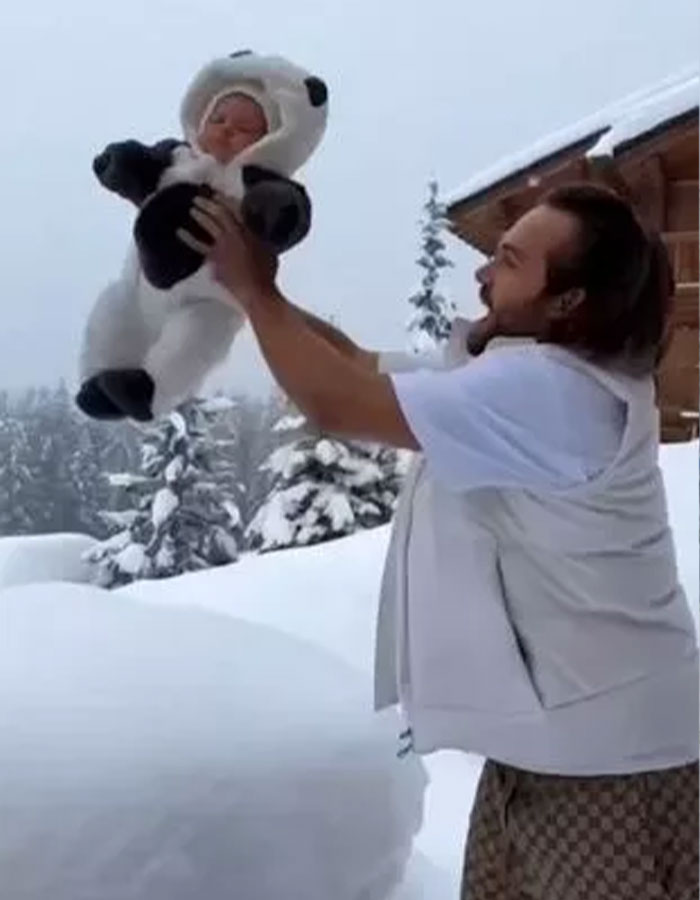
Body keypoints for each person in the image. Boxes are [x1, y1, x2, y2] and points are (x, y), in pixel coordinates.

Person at [178, 182, 699, 899]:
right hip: (551, 751)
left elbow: (338, 401)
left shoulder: (555, 395)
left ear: (568, 302)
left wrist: (255, 291)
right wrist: (252, 289)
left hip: (613, 765)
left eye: (510, 262)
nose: (484, 273)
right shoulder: (520, 377)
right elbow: (360, 366)